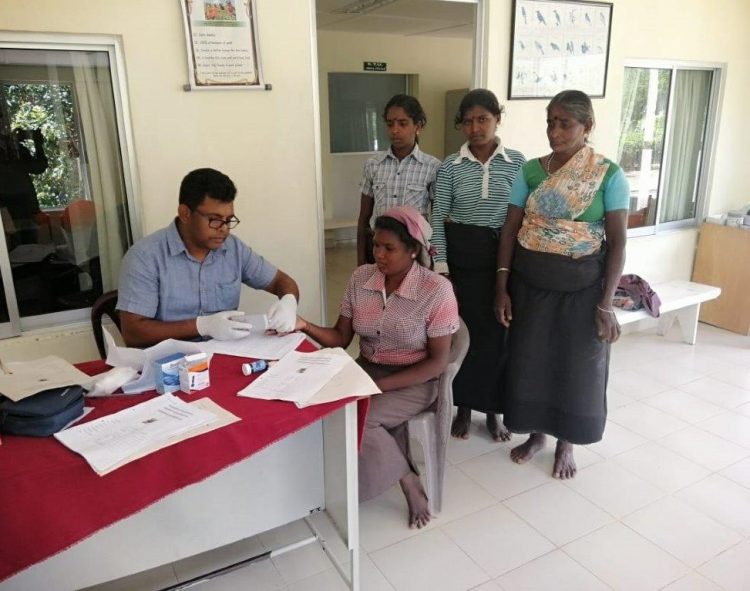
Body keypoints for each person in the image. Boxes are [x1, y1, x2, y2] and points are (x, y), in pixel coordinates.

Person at [296, 206, 459, 529]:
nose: (379, 255)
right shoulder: (361, 278)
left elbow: (438, 361)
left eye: (389, 248)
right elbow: (341, 337)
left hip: (416, 379)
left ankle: (407, 479)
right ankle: (332, 480)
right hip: (368, 369)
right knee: (322, 405)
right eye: (376, 245)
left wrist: (378, 388)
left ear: (413, 251)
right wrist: (303, 325)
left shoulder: (436, 291)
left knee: (361, 416)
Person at [495, 90, 628, 479]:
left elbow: (618, 243)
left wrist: (605, 303)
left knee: (576, 367)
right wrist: (501, 286)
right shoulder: (530, 171)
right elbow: (510, 229)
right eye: (550, 122)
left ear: (587, 126)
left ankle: (566, 444)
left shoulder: (608, 175)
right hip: (531, 288)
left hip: (583, 291)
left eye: (565, 123)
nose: (554, 131)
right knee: (531, 362)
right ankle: (537, 435)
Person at [431, 88, 525, 441]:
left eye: (483, 119)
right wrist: (442, 268)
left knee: (497, 339)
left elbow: (520, 218)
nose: (475, 128)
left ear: (497, 119)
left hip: (501, 259)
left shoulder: (517, 163)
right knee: (462, 336)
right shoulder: (450, 166)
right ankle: (464, 408)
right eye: (468, 121)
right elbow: (438, 217)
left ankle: (493, 413)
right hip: (461, 260)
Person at [117, 168, 299, 347]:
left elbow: (282, 281)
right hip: (169, 359)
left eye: (229, 220)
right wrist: (201, 326)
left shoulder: (233, 248)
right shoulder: (145, 257)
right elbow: (133, 333)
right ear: (185, 213)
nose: (224, 229)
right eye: (215, 219)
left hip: (225, 353)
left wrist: (289, 302)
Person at [357, 94, 440, 266]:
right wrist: (361, 262)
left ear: (418, 125)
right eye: (390, 124)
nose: (395, 130)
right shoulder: (373, 165)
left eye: (402, 123)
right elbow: (364, 217)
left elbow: (437, 220)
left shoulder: (433, 167)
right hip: (379, 252)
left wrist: (437, 263)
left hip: (414, 253)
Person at [0, 126, 48, 246]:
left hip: (24, 204)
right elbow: (38, 167)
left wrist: (38, 144)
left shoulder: (16, 151)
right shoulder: (13, 152)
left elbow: (38, 167)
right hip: (8, 205)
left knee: (28, 245)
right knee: (14, 245)